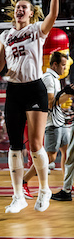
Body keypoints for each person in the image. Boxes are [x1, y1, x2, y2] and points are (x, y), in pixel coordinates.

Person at [0, 0, 62, 213]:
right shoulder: (5, 36)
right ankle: (17, 195)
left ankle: (44, 189)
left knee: (35, 144)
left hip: (34, 89)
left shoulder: (36, 30)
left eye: (25, 7)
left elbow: (53, 15)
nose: (20, 10)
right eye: (18, 8)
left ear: (31, 13)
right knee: (14, 146)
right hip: (13, 91)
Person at [22, 51, 69, 199]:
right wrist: (68, 95)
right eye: (62, 65)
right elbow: (49, 102)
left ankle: (68, 185)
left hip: (59, 122)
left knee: (68, 154)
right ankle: (23, 181)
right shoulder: (49, 79)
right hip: (52, 123)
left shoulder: (54, 78)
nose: (64, 68)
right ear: (54, 65)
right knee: (49, 158)